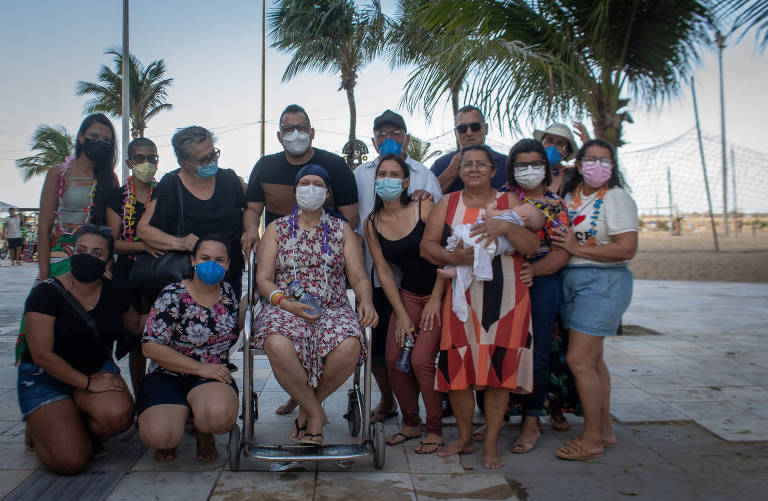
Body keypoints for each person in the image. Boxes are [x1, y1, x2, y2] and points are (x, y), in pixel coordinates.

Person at [420, 144, 540, 470]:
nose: (473, 168)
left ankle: (490, 445)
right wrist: (454, 258)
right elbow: (427, 247)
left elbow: (532, 246)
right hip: (461, 299)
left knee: (499, 371)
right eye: (467, 164)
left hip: (507, 300)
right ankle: (463, 437)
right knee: (458, 367)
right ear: (460, 172)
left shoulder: (510, 203)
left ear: (492, 170)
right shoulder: (448, 202)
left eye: (480, 164)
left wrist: (508, 227)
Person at [252, 165, 377, 446]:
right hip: (285, 307)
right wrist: (286, 304)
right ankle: (316, 415)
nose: (311, 188)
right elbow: (263, 279)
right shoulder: (277, 228)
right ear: (295, 190)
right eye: (305, 183)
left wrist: (366, 301)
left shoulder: (341, 229)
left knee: (350, 344)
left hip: (332, 307)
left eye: (318, 183)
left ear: (327, 191)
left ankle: (309, 409)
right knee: (277, 344)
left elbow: (357, 276)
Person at [17, 225, 136, 474]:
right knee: (69, 462)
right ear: (72, 252)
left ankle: (68, 422)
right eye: (81, 250)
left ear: (108, 261)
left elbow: (136, 325)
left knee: (118, 416)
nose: (87, 257)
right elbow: (41, 354)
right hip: (46, 379)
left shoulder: (114, 292)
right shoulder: (46, 293)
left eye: (96, 253)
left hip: (94, 370)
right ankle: (41, 428)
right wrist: (87, 384)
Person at [550, 138, 638, 461]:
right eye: (590, 159)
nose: (597, 166)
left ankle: (590, 439)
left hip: (603, 282)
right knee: (595, 360)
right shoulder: (572, 198)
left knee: (579, 361)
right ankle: (603, 429)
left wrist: (578, 249)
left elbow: (627, 248)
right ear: (579, 162)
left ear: (613, 167)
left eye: (605, 160)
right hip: (573, 281)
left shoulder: (616, 198)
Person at [354, 109, 442, 423]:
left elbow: (439, 235)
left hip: (426, 282)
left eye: (395, 132)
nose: (388, 139)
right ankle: (390, 401)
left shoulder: (424, 177)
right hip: (379, 274)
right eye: (381, 133)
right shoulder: (360, 175)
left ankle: (428, 410)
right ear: (373, 138)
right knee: (381, 348)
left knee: (421, 354)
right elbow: (355, 217)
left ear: (405, 136)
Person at [16, 113, 119, 363]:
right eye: (94, 136)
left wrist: (107, 266)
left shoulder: (109, 178)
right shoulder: (58, 173)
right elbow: (44, 228)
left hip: (95, 255)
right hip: (60, 253)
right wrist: (43, 274)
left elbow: (111, 229)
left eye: (106, 140)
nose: (99, 142)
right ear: (81, 137)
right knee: (46, 311)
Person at [364, 154, 445, 454]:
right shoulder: (371, 221)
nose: (386, 179)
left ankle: (434, 428)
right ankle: (411, 423)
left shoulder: (424, 206)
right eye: (381, 174)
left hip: (440, 290)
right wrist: (401, 314)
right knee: (393, 356)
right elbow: (384, 270)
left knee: (421, 360)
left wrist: (436, 299)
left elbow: (444, 253)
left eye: (394, 174)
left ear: (406, 181)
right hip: (409, 294)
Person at [137, 234, 240, 462]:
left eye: (219, 259)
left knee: (219, 417)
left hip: (212, 375)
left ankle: (204, 430)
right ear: (193, 260)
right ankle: (179, 417)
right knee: (159, 436)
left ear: (228, 264)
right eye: (204, 258)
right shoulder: (172, 295)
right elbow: (150, 347)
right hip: (168, 373)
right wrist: (199, 368)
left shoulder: (230, 295)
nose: (211, 264)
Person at [499, 138, 572, 453]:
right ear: (512, 169)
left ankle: (532, 419)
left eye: (535, 164)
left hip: (541, 283)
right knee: (503, 347)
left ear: (546, 168)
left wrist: (535, 272)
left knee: (538, 351)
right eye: (522, 165)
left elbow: (562, 252)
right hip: (503, 281)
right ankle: (498, 415)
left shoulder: (555, 204)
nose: (529, 170)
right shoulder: (501, 199)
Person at [137, 126, 246, 299]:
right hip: (188, 281)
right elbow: (144, 230)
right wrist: (181, 243)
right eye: (204, 160)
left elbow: (250, 210)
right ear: (184, 163)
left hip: (229, 276)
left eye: (214, 154)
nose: (211, 161)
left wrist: (249, 231)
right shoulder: (171, 185)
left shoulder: (230, 179)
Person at [243, 104, 360, 255]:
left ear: (312, 133)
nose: (296, 134)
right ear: (279, 136)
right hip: (277, 253)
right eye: (288, 129)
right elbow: (252, 210)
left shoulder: (336, 166)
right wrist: (252, 230)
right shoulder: (264, 167)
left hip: (325, 252)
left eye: (302, 127)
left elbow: (350, 216)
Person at [106, 137, 164, 396]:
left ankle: (166, 395)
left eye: (152, 158)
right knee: (135, 341)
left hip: (161, 275)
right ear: (129, 162)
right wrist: (143, 246)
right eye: (140, 158)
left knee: (165, 338)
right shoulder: (117, 197)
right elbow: (112, 242)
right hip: (127, 276)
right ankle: (141, 399)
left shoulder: (165, 192)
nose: (147, 163)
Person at [430, 106, 507, 194]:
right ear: (456, 133)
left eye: (475, 127)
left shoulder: (506, 164)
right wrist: (451, 171)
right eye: (462, 129)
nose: (469, 133)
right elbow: (428, 196)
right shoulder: (441, 165)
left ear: (485, 129)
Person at [532, 122, 585, 196]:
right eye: (549, 141)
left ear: (567, 152)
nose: (553, 147)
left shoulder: (573, 177)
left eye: (560, 144)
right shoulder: (527, 170)